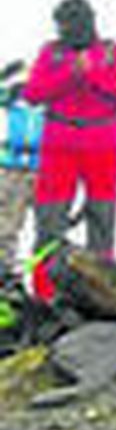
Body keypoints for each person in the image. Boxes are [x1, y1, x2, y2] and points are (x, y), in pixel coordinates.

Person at [22, 0, 116, 264]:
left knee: (102, 221)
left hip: (103, 149)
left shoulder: (112, 52)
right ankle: (45, 290)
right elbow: (32, 94)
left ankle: (99, 289)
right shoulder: (51, 53)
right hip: (59, 149)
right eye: (61, 24)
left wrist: (93, 73)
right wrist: (71, 73)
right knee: (50, 223)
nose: (64, 30)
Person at [0, 63, 42, 284]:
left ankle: (46, 283)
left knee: (48, 229)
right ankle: (3, 277)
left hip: (43, 171)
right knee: (6, 226)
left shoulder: (53, 106)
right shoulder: (13, 102)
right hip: (12, 170)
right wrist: (5, 75)